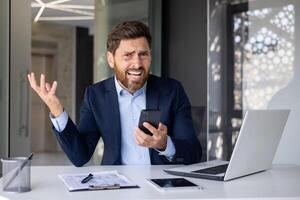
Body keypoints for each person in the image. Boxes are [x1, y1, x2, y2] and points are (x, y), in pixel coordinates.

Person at [27, 21, 202, 166]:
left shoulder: (171, 91)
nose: (137, 63)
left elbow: (194, 153)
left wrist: (165, 144)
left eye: (143, 54)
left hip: (163, 187)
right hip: (116, 186)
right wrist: (57, 110)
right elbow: (80, 156)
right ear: (111, 59)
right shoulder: (95, 95)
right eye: (128, 55)